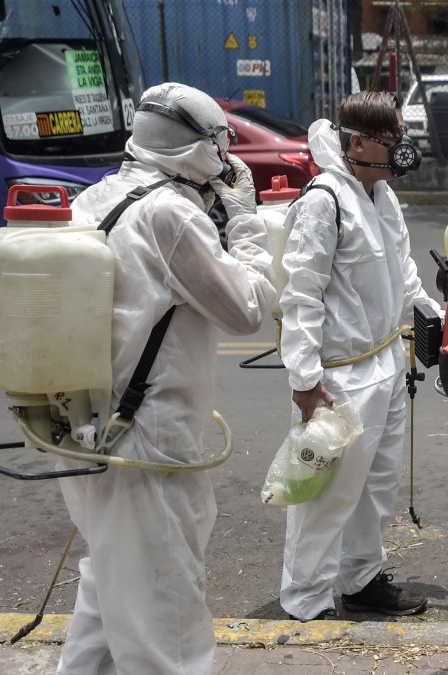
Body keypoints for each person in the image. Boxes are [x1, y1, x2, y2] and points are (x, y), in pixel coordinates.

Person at [56, 82, 277, 674]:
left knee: (107, 596)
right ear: (203, 149)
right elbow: (246, 310)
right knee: (167, 624)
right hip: (145, 442)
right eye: (221, 145)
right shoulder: (170, 214)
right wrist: (247, 225)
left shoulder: (102, 195)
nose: (227, 159)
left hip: (86, 426)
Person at [278, 91, 442, 621]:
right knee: (326, 491)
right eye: (392, 141)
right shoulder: (323, 202)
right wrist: (304, 380)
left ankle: (362, 578)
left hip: (387, 360)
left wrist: (430, 313)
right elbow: (300, 294)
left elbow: (403, 268)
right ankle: (305, 598)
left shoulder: (381, 195)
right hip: (341, 375)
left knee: (375, 485)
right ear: (357, 143)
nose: (402, 152)